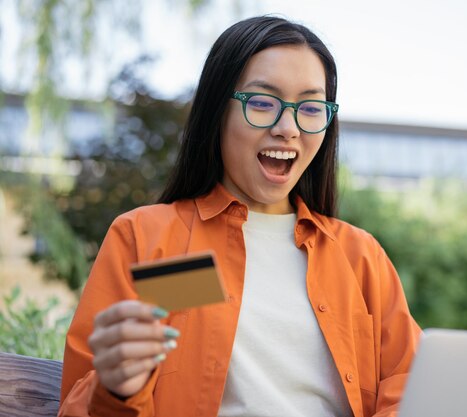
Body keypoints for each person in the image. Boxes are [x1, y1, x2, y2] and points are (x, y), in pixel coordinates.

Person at [58, 16, 420, 417]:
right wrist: (118, 389)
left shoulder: (359, 257)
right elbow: (79, 402)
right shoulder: (149, 239)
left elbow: (412, 385)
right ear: (218, 111)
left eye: (311, 107)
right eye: (263, 103)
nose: (289, 128)